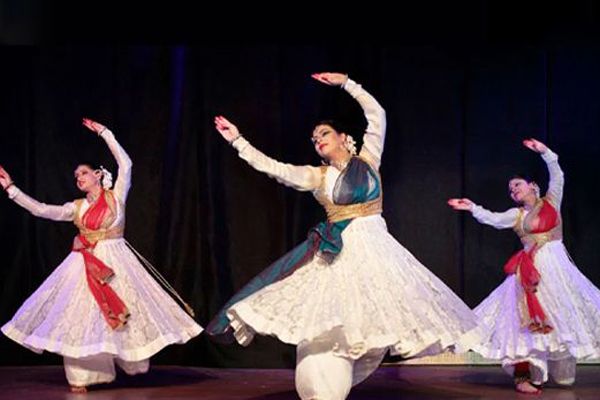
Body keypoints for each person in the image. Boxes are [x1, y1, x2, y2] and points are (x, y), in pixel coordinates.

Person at [208, 73, 480, 400]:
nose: (317, 140)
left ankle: (334, 384)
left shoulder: (368, 160)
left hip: (378, 252)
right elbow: (274, 168)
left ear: (343, 137)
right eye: (313, 139)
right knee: (329, 325)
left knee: (373, 321)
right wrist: (238, 141)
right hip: (339, 253)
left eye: (324, 133)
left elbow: (377, 115)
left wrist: (348, 84)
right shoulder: (318, 176)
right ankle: (322, 390)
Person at [0, 118, 202, 393]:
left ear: (97, 174)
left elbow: (126, 164)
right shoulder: (77, 207)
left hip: (118, 261)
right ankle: (83, 377)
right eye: (76, 176)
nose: (79, 178)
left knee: (126, 311)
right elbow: (42, 210)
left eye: (83, 173)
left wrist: (105, 133)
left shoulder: (116, 196)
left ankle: (130, 362)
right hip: (86, 263)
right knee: (83, 317)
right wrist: (11, 190)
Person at [448, 138, 600, 395]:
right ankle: (527, 376)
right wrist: (472, 207)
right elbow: (492, 218)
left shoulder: (552, 201)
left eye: (517, 185)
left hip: (558, 270)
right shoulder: (516, 215)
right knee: (525, 320)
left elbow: (558, 175)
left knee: (561, 315)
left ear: (533, 186)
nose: (513, 190)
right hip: (530, 274)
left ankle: (560, 368)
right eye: (510, 189)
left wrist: (545, 152)